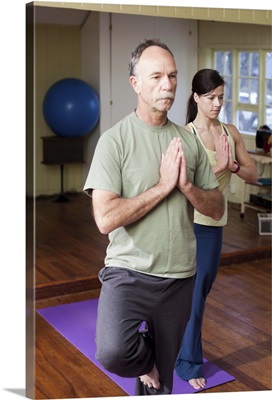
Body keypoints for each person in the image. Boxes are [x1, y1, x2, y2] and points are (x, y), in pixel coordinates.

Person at [83, 40, 224, 396]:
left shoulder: (187, 143)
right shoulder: (114, 141)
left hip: (179, 277)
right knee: (114, 350)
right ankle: (147, 361)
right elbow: (105, 219)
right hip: (128, 273)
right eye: (157, 76)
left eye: (173, 76)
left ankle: (154, 370)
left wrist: (187, 185)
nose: (168, 85)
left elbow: (217, 207)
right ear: (135, 83)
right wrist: (163, 187)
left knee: (162, 387)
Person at [174, 68, 258, 390]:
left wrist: (233, 165)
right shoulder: (184, 135)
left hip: (214, 226)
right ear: (196, 98)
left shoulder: (230, 132)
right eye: (210, 98)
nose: (217, 104)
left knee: (201, 293)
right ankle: (188, 362)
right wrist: (219, 167)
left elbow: (251, 174)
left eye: (221, 97)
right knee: (194, 297)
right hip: (189, 223)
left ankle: (161, 338)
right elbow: (185, 183)